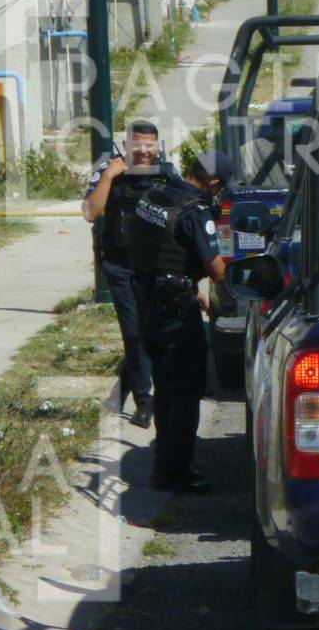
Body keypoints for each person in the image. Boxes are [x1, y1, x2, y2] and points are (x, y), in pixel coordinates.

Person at [128, 151, 232, 494]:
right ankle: (175, 471)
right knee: (187, 391)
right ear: (214, 183)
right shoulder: (195, 212)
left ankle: (164, 459)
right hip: (174, 311)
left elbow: (161, 251)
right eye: (222, 188)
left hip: (147, 302)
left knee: (165, 387)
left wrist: (190, 288)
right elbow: (217, 271)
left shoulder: (155, 194)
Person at [82, 121, 175, 429]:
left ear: (157, 146)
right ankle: (145, 402)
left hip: (156, 267)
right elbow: (90, 213)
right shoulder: (109, 170)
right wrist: (109, 175)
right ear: (127, 145)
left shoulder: (166, 174)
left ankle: (124, 390)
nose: (144, 151)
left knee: (151, 335)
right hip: (122, 267)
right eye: (138, 145)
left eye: (150, 145)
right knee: (134, 334)